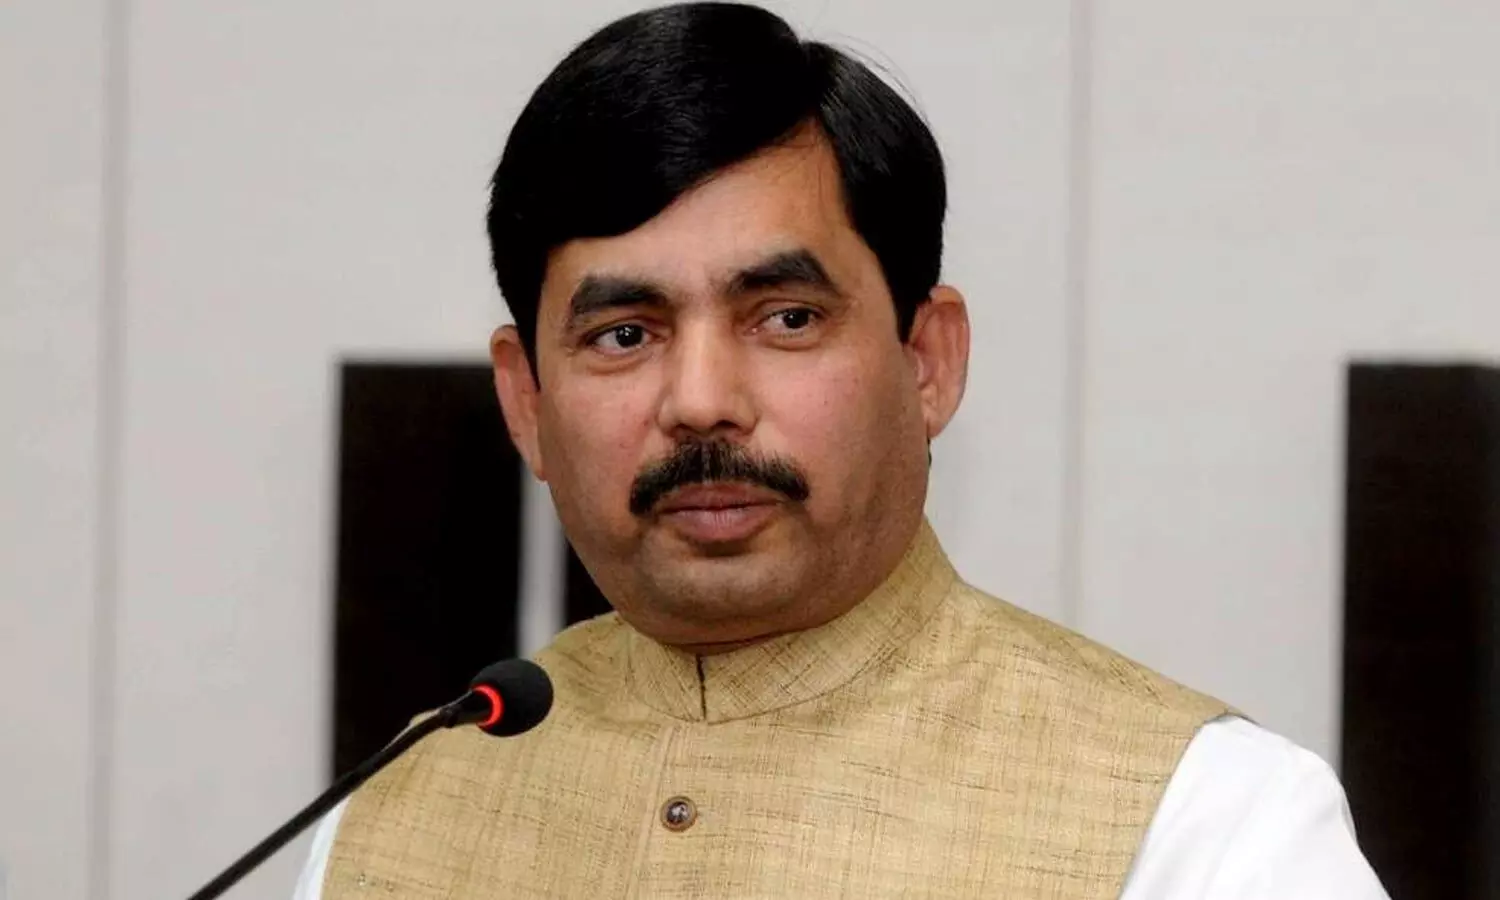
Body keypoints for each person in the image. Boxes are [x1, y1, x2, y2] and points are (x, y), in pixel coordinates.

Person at [296, 3, 1387, 897]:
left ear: (928, 360)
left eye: (786, 319)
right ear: (527, 402)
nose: (701, 403)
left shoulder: (1205, 821)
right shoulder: (395, 812)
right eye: (625, 335)